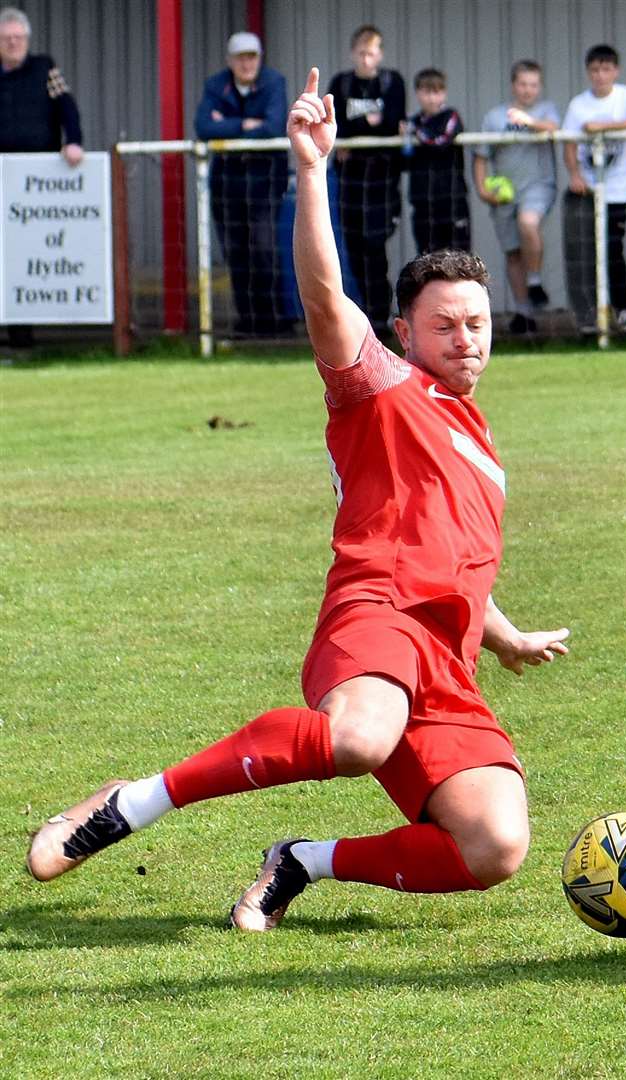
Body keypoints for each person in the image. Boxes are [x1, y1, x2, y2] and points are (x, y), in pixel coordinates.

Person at [26, 67, 571, 932]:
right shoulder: (380, 389)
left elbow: (453, 549)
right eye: (444, 325)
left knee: (494, 848)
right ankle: (131, 804)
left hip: (446, 657)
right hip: (375, 615)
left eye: (477, 323)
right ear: (404, 334)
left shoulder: (478, 435)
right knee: (355, 739)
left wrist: (504, 635)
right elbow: (324, 295)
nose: (465, 339)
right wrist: (311, 171)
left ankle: (300, 863)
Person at [195, 31, 292, 337]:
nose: (247, 63)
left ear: (259, 59)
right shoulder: (215, 84)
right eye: (241, 57)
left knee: (264, 249)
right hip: (228, 184)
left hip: (264, 182)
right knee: (235, 253)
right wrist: (246, 124)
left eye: (252, 57)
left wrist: (228, 126)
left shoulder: (274, 82)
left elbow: (274, 126)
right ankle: (247, 321)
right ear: (230, 61)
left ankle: (275, 321)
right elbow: (203, 126)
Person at [0, 6, 83, 350]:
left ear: (27, 40)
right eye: (6, 39)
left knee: (27, 253)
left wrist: (74, 141)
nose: (13, 43)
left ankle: (23, 336)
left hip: (35, 181)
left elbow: (67, 106)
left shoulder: (45, 67)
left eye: (18, 37)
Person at [561, 44, 626, 337]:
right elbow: (569, 144)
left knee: (613, 250)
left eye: (606, 69)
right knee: (584, 255)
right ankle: (588, 317)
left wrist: (602, 127)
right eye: (595, 70)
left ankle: (623, 309)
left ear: (616, 71)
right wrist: (575, 175)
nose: (600, 75)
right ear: (588, 72)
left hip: (616, 191)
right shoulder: (578, 104)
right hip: (586, 191)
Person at [328, 25, 406, 335]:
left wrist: (363, 128)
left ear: (380, 55)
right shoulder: (341, 84)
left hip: (382, 179)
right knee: (354, 247)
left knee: (376, 247)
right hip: (351, 180)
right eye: (361, 52)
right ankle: (365, 318)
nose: (365, 59)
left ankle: (380, 314)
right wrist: (368, 124)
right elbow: (339, 126)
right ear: (352, 53)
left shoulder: (391, 82)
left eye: (371, 53)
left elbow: (392, 123)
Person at [476, 60, 560, 336]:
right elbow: (480, 155)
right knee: (513, 253)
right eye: (523, 84)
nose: (528, 90)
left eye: (533, 85)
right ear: (514, 85)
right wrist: (482, 189)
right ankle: (524, 313)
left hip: (538, 186)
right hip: (504, 193)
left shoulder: (546, 111)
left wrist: (530, 122)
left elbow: (554, 129)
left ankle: (534, 280)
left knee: (528, 223)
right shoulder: (494, 116)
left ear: (540, 86)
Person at [404, 67, 471, 256]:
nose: (432, 98)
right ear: (417, 93)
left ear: (444, 93)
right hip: (422, 203)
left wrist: (415, 133)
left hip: (452, 201)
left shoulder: (451, 116)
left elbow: (440, 142)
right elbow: (404, 160)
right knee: (427, 259)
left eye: (437, 92)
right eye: (427, 92)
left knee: (460, 259)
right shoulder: (413, 122)